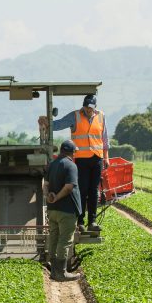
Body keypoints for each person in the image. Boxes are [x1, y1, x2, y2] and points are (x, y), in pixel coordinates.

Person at [39, 94, 108, 233]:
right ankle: (81, 221)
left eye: (91, 108)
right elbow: (58, 125)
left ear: (95, 107)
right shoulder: (75, 116)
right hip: (81, 159)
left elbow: (105, 139)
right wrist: (47, 123)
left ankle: (92, 221)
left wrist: (106, 157)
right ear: (83, 106)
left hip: (97, 158)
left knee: (94, 191)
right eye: (86, 108)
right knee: (82, 190)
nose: (88, 111)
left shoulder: (101, 116)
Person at [44, 140, 82, 281]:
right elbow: (69, 187)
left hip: (52, 210)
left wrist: (49, 197)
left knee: (54, 238)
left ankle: (54, 271)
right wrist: (58, 197)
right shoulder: (71, 165)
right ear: (71, 152)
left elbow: (45, 185)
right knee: (65, 241)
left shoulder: (51, 165)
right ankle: (61, 272)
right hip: (66, 210)